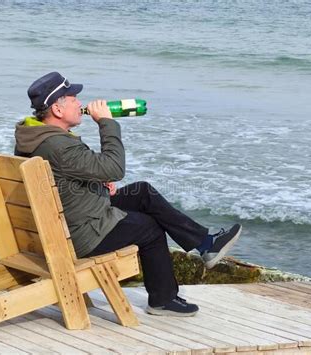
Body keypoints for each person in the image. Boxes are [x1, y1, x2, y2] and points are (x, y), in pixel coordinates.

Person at [14, 72, 242, 317]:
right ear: (58, 110)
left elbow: (63, 178)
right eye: (73, 99)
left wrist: (97, 182)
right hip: (79, 234)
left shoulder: (35, 137)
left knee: (141, 192)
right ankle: (162, 300)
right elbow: (115, 168)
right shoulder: (58, 145)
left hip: (63, 221)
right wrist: (106, 123)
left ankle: (206, 244)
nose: (80, 104)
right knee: (150, 227)